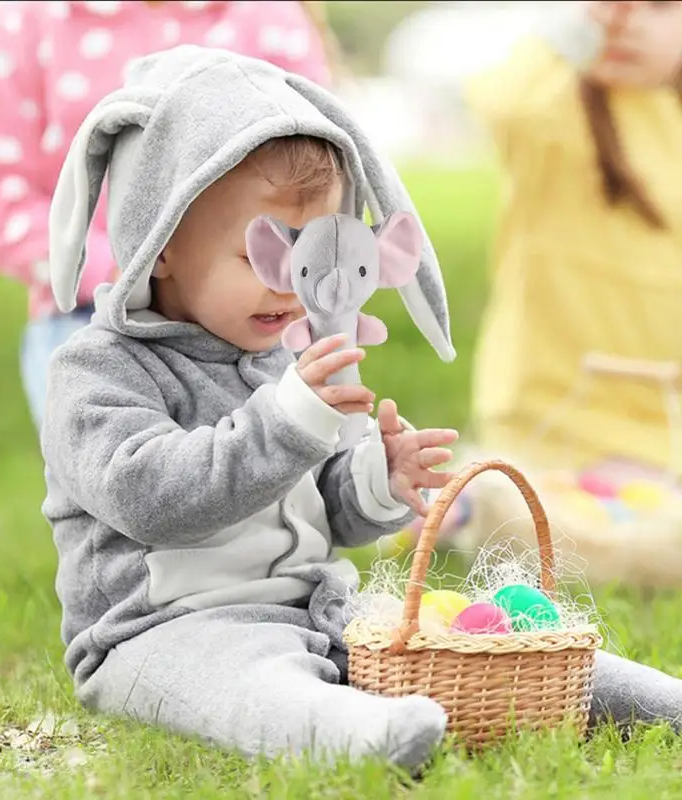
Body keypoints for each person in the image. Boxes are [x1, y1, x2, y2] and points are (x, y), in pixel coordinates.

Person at [41, 45, 682, 770]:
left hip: (316, 609)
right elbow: (153, 501)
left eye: (313, 252)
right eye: (264, 256)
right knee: (253, 686)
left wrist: (377, 480)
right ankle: (361, 735)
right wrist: (287, 423)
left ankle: (652, 699)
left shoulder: (288, 356)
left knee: (476, 645)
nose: (293, 290)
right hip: (163, 632)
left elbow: (327, 514)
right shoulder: (98, 371)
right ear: (159, 244)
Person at [0, 0, 337, 429]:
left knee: (300, 462)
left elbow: (321, 168)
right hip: (90, 316)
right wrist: (119, 267)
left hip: (265, 306)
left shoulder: (264, 16)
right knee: (131, 469)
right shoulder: (30, 21)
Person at [407, 0, 682, 556]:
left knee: (640, 516)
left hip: (659, 419)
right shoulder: (558, 109)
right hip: (559, 411)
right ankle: (480, 499)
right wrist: (581, 31)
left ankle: (486, 499)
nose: (624, 21)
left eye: (656, 6)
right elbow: (502, 103)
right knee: (587, 528)